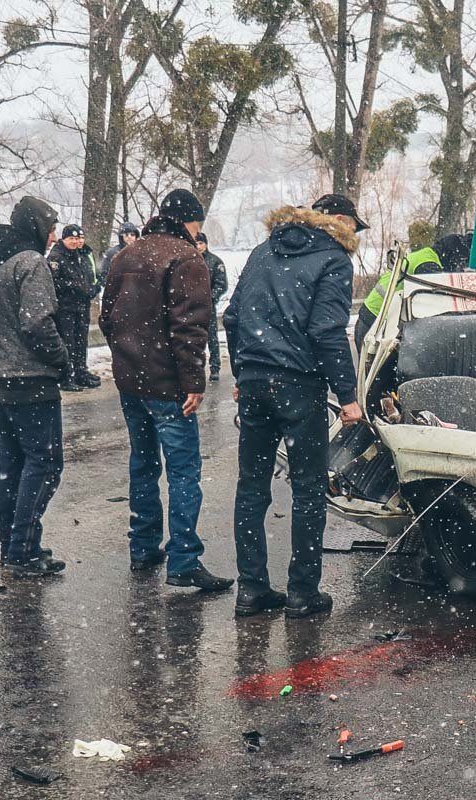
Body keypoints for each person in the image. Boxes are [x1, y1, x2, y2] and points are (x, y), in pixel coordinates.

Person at [224, 193, 365, 619]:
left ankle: (251, 590)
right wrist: (348, 396)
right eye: (353, 225)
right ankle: (303, 593)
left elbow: (232, 317)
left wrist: (243, 372)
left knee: (252, 488)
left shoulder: (262, 251)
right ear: (337, 220)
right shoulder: (334, 259)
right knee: (308, 490)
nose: (354, 233)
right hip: (299, 385)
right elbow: (327, 332)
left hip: (254, 382)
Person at [99, 188, 234, 592]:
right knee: (183, 471)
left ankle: (143, 547)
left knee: (143, 465)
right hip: (168, 385)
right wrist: (193, 381)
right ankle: (184, 559)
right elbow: (190, 327)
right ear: (190, 221)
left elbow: (107, 318)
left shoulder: (126, 255)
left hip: (131, 382)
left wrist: (127, 358)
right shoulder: (186, 257)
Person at [0, 195, 68, 576]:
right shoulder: (31, 263)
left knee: (11, 468)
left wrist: (5, 345)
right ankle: (22, 552)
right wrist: (61, 359)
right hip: (32, 382)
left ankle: (14, 547)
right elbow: (37, 323)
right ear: (35, 226)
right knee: (46, 464)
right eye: (51, 228)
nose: (53, 236)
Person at [353, 232, 471, 351]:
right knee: (374, 362)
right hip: (376, 320)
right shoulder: (428, 266)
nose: (460, 266)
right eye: (461, 262)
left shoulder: (425, 255)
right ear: (452, 256)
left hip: (372, 314)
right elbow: (441, 301)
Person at [48, 224, 100, 391]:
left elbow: (90, 276)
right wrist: (73, 286)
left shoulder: (81, 254)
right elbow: (54, 282)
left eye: (78, 238)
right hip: (65, 307)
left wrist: (92, 288)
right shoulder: (56, 257)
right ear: (64, 239)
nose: (75, 242)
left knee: (81, 341)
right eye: (72, 238)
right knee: (68, 342)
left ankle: (80, 372)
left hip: (82, 305)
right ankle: (67, 376)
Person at [195, 232, 229, 382]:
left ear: (206, 244)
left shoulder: (215, 261)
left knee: (212, 338)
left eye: (201, 243)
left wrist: (209, 298)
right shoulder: (188, 261)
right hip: (191, 307)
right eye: (196, 243)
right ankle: (196, 367)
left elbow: (221, 284)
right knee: (193, 339)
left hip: (208, 306)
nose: (198, 246)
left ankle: (215, 367)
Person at [97, 221, 140, 293]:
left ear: (136, 236)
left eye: (132, 234)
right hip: (117, 291)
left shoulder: (141, 252)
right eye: (126, 234)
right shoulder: (112, 252)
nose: (129, 237)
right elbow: (103, 274)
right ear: (121, 236)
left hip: (137, 291)